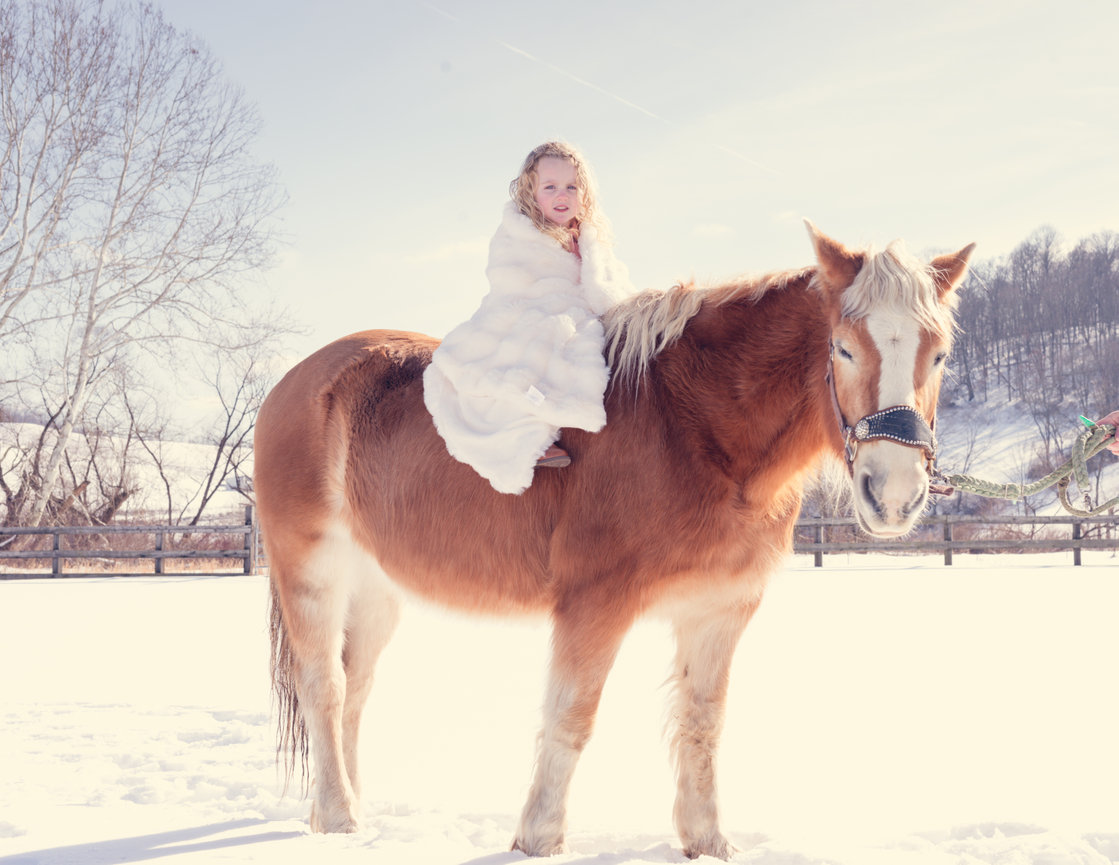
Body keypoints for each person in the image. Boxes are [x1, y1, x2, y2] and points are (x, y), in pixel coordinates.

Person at [423, 141, 637, 495]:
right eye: (549, 187)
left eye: (571, 186)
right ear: (531, 192)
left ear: (585, 192)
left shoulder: (591, 236)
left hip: (583, 310)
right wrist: (562, 307)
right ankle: (527, 438)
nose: (561, 195)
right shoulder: (519, 234)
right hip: (528, 309)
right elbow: (515, 284)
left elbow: (612, 283)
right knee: (546, 342)